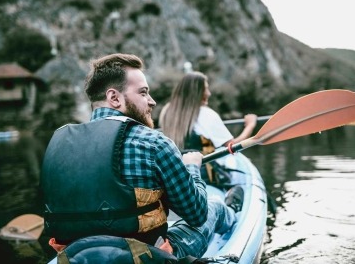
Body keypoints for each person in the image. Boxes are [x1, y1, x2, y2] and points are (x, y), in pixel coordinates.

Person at [40, 53, 242, 261]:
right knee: (214, 205)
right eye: (144, 93)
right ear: (114, 98)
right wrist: (191, 167)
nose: (152, 102)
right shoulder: (154, 142)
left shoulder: (56, 146)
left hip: (78, 258)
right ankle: (233, 210)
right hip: (150, 258)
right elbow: (197, 214)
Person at [159, 71, 257, 185]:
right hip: (204, 176)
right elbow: (232, 147)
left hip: (175, 174)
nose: (209, 93)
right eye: (205, 89)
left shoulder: (166, 111)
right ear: (197, 92)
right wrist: (250, 125)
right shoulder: (207, 115)